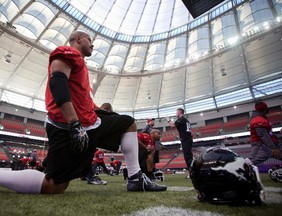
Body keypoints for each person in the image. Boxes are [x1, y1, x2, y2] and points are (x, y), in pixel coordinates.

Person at [0, 30, 166, 194]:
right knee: (53, 186)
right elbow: (57, 82)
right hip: (68, 127)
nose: (92, 44)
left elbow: (82, 99)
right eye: (89, 39)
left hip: (90, 122)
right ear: (78, 39)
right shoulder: (68, 52)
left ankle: (135, 178)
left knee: (127, 123)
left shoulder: (81, 65)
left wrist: (100, 111)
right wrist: (74, 123)